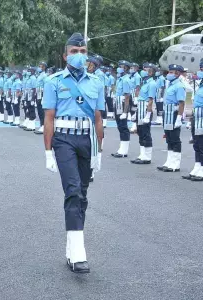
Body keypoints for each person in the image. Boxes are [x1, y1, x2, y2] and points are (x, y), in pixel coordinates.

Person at [43, 33, 104, 274]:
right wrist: (48, 151)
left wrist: (99, 150)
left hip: (87, 141)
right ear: (65, 55)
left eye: (82, 51)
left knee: (83, 195)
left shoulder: (97, 82)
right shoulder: (54, 81)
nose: (79, 55)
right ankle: (79, 253)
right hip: (63, 140)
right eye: (74, 51)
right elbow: (48, 118)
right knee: (73, 190)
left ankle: (71, 247)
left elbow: (98, 118)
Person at [157, 64, 187, 173]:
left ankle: (175, 164)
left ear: (177, 73)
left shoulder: (179, 86)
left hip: (174, 114)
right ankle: (169, 161)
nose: (169, 73)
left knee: (175, 139)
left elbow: (182, 103)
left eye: (171, 72)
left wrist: (179, 117)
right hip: (167, 113)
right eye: (169, 71)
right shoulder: (170, 84)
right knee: (169, 138)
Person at [130, 63, 157, 164]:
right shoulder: (145, 82)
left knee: (146, 133)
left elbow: (150, 100)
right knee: (140, 132)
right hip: (140, 109)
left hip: (145, 110)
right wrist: (135, 113)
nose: (144, 70)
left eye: (146, 69)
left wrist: (148, 115)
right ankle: (142, 154)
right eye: (144, 68)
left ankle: (147, 157)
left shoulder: (152, 83)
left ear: (151, 72)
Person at [183, 63, 203, 181]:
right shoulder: (198, 83)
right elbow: (190, 99)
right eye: (200, 68)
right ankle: (197, 167)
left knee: (202, 144)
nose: (200, 71)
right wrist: (189, 118)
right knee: (196, 143)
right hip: (196, 115)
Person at [111, 60, 132, 158]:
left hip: (122, 105)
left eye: (121, 66)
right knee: (120, 126)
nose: (119, 67)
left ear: (126, 68)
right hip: (118, 103)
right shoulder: (120, 79)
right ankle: (121, 148)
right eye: (119, 65)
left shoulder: (126, 80)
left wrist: (125, 112)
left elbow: (127, 96)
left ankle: (124, 150)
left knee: (123, 127)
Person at [35, 62, 48, 134]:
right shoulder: (40, 75)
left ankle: (43, 126)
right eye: (39, 66)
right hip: (38, 93)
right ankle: (41, 125)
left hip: (42, 94)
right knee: (39, 110)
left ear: (44, 68)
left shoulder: (44, 76)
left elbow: (46, 86)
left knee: (42, 111)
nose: (39, 67)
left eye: (40, 66)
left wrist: (44, 96)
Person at [129, 63, 142, 134]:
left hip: (135, 95)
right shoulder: (131, 76)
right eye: (131, 67)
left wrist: (136, 97)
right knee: (131, 110)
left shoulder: (137, 76)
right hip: (130, 94)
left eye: (132, 67)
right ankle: (134, 125)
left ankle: (135, 126)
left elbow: (138, 87)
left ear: (136, 68)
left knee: (134, 110)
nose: (131, 69)